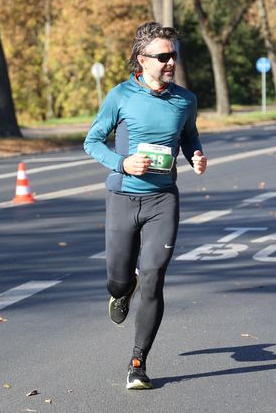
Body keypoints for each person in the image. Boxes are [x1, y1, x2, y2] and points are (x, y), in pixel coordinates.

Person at [84, 21, 207, 390]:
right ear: (142, 60)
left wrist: (195, 156)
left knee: (154, 278)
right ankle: (122, 291)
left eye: (174, 56)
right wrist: (122, 163)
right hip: (123, 197)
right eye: (163, 56)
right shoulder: (120, 96)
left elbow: (189, 136)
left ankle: (138, 362)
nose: (171, 62)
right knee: (119, 279)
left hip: (162, 200)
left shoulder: (185, 99)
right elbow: (92, 141)